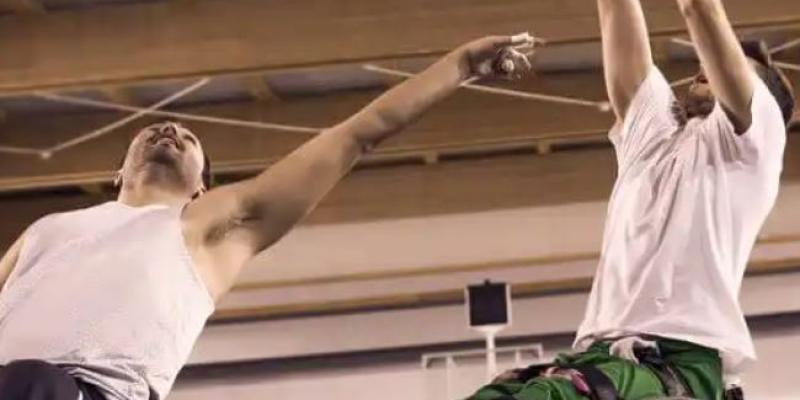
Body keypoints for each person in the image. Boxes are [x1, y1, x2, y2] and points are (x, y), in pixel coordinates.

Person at [0, 35, 534, 400]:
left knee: (33, 384)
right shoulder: (46, 231)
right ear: (118, 170)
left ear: (202, 184)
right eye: (156, 129)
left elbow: (354, 136)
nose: (170, 131)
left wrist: (459, 67)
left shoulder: (210, 228)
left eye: (188, 139)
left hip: (79, 391)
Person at [469, 0, 795, 399]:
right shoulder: (654, 135)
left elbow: (700, 10)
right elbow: (615, 10)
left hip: (678, 359)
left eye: (728, 64)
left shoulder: (756, 145)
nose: (703, 66)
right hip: (597, 353)